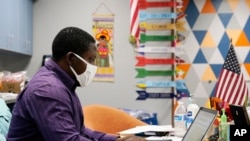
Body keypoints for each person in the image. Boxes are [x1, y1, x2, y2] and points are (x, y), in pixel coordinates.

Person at [7, 27, 146, 141]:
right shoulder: (48, 90)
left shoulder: (64, 85)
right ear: (71, 59)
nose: (93, 66)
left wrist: (116, 140)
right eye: (90, 60)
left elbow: (80, 131)